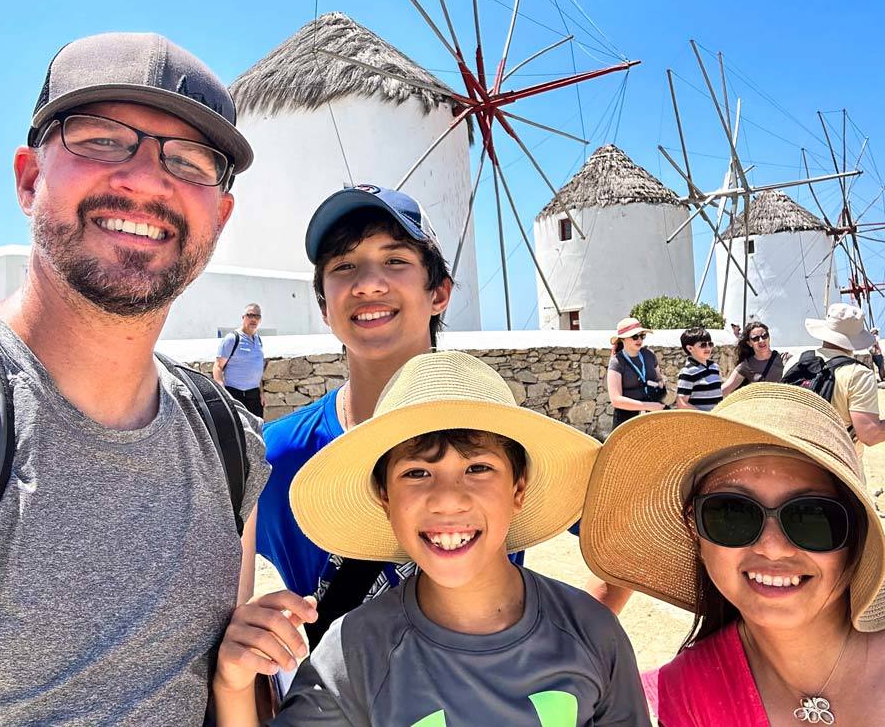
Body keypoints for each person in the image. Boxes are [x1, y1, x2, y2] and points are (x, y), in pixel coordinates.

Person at [0, 32, 276, 723]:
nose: (144, 178)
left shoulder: (231, 446)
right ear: (28, 178)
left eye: (192, 159)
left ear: (219, 216)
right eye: (100, 139)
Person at [215, 351, 650, 726]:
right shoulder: (354, 650)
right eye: (417, 473)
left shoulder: (593, 633)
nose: (447, 500)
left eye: (478, 468)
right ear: (384, 496)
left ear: (519, 488)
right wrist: (233, 686)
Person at [581, 383, 885, 726]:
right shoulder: (674, 699)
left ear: (857, 533)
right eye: (731, 514)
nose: (773, 547)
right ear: (693, 528)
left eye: (812, 518)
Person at [255, 185, 459, 650]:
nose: (368, 283)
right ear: (324, 307)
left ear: (439, 293)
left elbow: (616, 529)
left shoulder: (505, 437)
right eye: (344, 266)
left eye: (395, 261)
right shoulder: (275, 455)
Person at [797, 305, 885, 451]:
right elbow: (870, 434)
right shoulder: (858, 374)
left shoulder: (798, 360)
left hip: (795, 450)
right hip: (833, 460)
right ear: (856, 337)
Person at [607, 317, 668, 428]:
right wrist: (648, 406)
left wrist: (660, 383)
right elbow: (616, 400)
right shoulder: (616, 362)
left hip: (653, 414)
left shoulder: (649, 355)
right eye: (635, 336)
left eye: (642, 336)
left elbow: (659, 378)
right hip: (627, 419)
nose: (639, 340)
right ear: (623, 339)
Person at [214, 303, 266, 416]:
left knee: (256, 430)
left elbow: (257, 367)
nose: (253, 319)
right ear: (243, 317)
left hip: (254, 395)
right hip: (235, 394)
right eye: (250, 315)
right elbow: (218, 366)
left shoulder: (258, 340)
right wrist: (223, 393)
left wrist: (261, 392)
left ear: (260, 320)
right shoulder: (232, 339)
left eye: (257, 316)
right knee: (238, 431)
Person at [721, 320, 789, 396]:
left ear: (769, 338)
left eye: (764, 336)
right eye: (755, 338)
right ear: (749, 343)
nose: (761, 340)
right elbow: (725, 389)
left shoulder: (784, 359)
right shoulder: (746, 366)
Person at [677, 327, 723, 412]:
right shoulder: (687, 372)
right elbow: (682, 403)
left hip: (717, 419)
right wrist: (705, 416)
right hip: (699, 422)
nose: (708, 348)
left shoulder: (715, 367)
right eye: (703, 345)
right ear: (690, 348)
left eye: (710, 344)